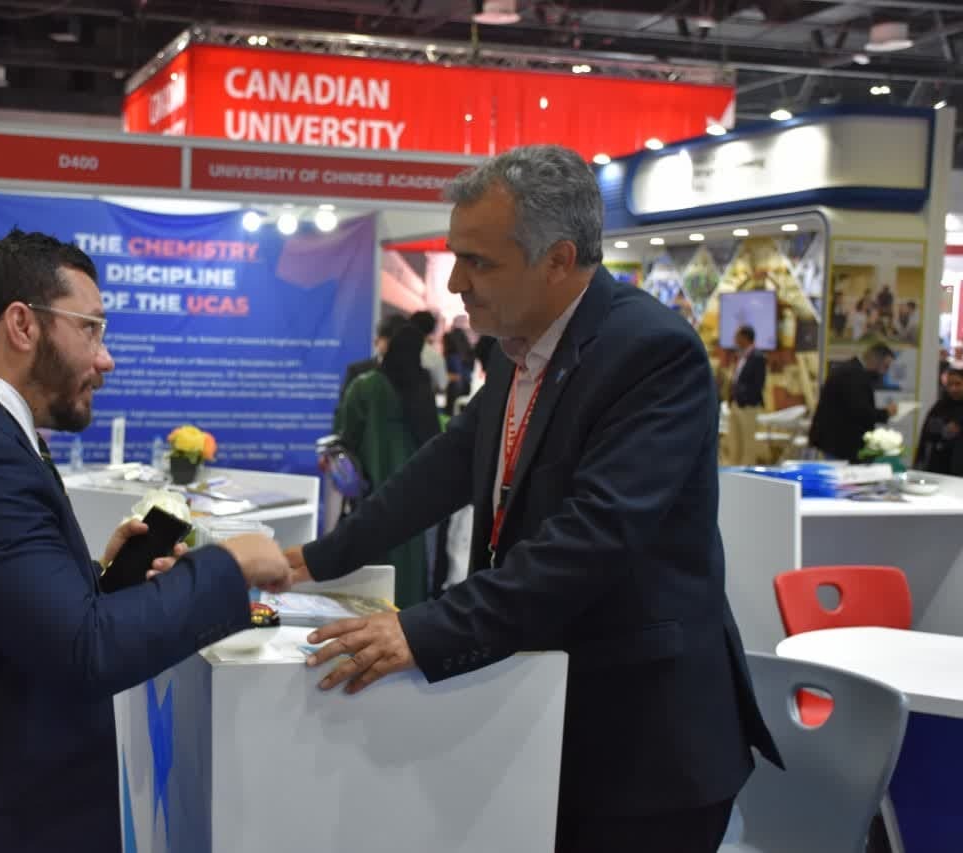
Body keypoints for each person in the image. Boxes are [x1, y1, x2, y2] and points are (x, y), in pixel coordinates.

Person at [284, 145, 780, 853]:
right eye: (456, 256)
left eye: (479, 262)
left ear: (558, 260)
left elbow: (591, 539)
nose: (456, 282)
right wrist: (312, 560)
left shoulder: (651, 353)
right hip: (545, 717)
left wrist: (423, 630)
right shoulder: (519, 346)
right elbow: (443, 470)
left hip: (643, 747)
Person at [0, 230, 291, 853]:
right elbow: (84, 652)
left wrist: (103, 583)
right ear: (22, 325)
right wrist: (229, 566)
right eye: (91, 329)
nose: (106, 359)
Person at [335, 324, 441, 606]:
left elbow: (347, 437)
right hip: (416, 491)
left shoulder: (365, 386)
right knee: (412, 558)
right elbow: (434, 439)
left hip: (374, 488)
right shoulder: (421, 386)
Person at [808, 344, 899, 462]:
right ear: (875, 360)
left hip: (838, 441)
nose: (884, 372)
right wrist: (886, 413)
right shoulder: (853, 376)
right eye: (885, 366)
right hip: (841, 444)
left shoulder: (851, 371)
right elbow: (860, 412)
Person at [336, 313, 407, 422]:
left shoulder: (416, 375)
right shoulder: (357, 371)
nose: (394, 347)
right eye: (389, 341)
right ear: (376, 341)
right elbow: (343, 412)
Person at [723, 325, 767, 466]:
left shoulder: (758, 357)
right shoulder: (741, 356)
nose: (734, 339)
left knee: (748, 445)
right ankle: (733, 469)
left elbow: (758, 384)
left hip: (748, 406)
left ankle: (747, 470)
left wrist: (744, 398)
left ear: (745, 338)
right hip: (735, 404)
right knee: (734, 442)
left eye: (737, 336)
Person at [916, 366, 963, 475]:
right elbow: (927, 433)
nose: (953, 389)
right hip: (939, 464)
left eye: (958, 384)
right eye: (949, 385)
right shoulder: (940, 406)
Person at [410, 309, 448, 393]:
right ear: (432, 330)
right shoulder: (435, 357)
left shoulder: (397, 350)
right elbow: (442, 385)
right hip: (424, 398)